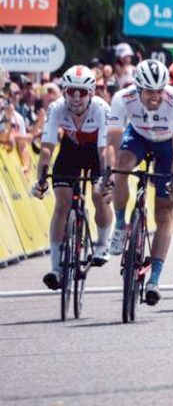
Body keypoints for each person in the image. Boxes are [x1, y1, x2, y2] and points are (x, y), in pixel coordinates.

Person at [106, 60, 173, 305]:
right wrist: (109, 174)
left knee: (165, 213)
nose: (155, 97)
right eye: (149, 91)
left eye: (159, 90)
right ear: (137, 87)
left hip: (167, 145)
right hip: (138, 137)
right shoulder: (123, 98)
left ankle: (154, 278)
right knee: (121, 166)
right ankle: (121, 224)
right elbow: (112, 141)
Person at [31, 66, 113, 290]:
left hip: (97, 152)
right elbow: (47, 147)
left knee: (99, 196)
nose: (76, 97)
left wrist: (106, 178)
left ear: (92, 92)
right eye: (71, 91)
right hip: (70, 150)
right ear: (64, 91)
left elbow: (105, 151)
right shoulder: (56, 108)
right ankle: (56, 268)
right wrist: (41, 179)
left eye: (82, 92)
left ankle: (102, 244)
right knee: (62, 204)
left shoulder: (101, 109)